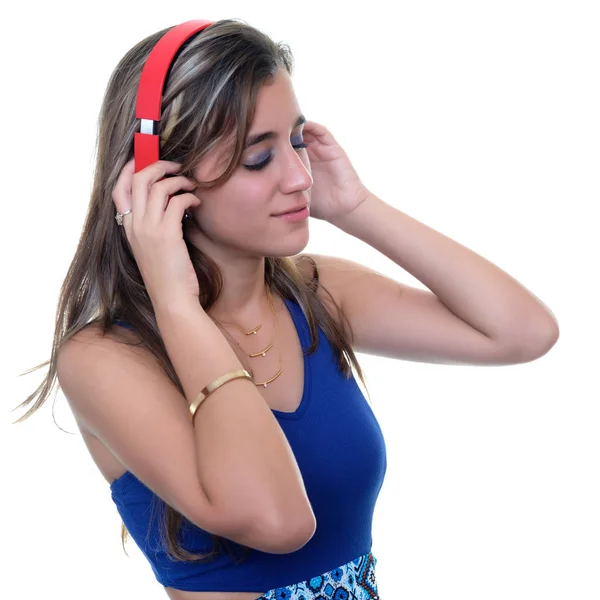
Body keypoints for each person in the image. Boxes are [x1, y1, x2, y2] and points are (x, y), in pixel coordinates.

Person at [13, 17, 559, 600]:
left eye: (296, 142)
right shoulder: (104, 358)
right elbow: (279, 521)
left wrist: (357, 207)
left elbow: (523, 332)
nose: (299, 177)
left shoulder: (314, 293)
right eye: (257, 158)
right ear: (158, 181)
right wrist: (177, 303)